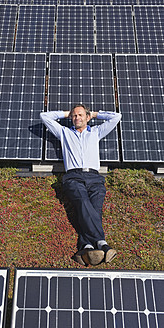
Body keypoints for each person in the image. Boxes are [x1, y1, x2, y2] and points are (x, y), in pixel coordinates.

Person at [40, 104, 121, 267]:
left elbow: (116, 117)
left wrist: (95, 114)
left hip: (94, 177)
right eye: (74, 115)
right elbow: (44, 116)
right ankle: (102, 243)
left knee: (94, 211)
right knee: (83, 203)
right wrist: (66, 113)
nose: (77, 118)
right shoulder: (64, 133)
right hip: (73, 177)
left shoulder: (96, 132)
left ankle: (86, 247)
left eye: (80, 115)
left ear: (87, 117)